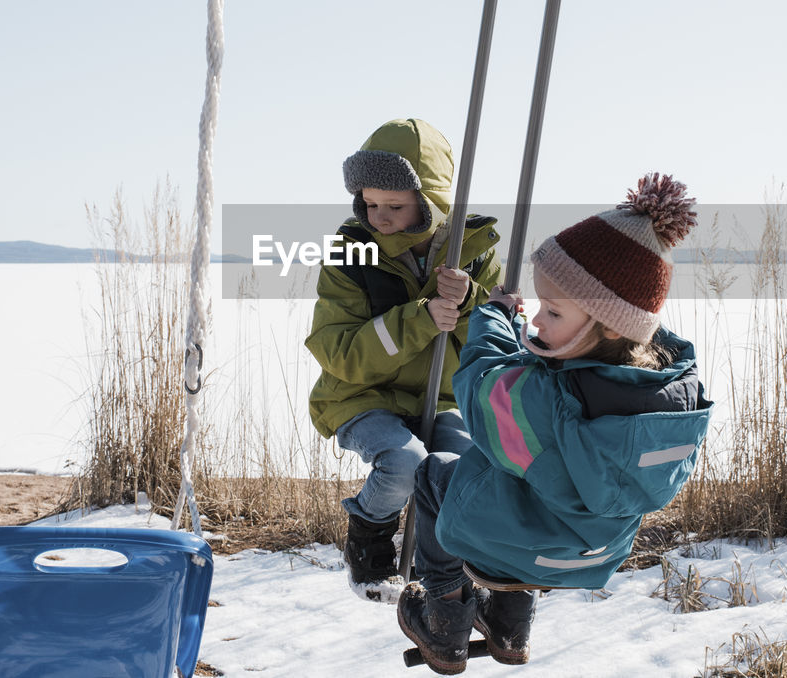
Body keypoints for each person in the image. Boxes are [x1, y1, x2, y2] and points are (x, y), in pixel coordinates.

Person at [397, 173, 713, 674]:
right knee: (535, 484)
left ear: (609, 323)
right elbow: (632, 323)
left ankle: (443, 619)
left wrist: (493, 318)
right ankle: (509, 628)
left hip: (514, 547)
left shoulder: (553, 405)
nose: (538, 322)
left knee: (435, 475)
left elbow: (480, 388)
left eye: (554, 311)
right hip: (592, 555)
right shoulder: (676, 397)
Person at [306, 118, 502, 603]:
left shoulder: (477, 254)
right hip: (359, 398)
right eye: (370, 203)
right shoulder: (350, 254)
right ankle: (367, 546)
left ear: (431, 201)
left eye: (394, 205)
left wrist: (470, 304)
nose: (379, 216)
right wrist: (421, 318)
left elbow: (500, 343)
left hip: (442, 397)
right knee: (406, 462)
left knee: (458, 469)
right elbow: (338, 351)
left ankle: (445, 580)